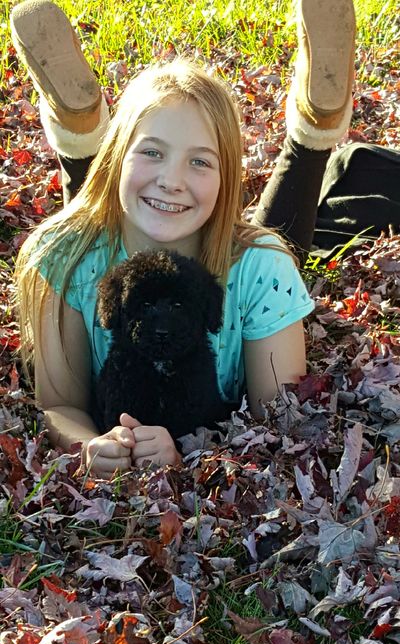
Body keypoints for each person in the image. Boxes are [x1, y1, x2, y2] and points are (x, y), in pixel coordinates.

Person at [12, 0, 356, 477]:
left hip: (239, 259)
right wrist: (90, 445)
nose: (173, 179)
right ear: (122, 155)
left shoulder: (260, 269)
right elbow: (59, 406)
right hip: (100, 225)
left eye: (201, 161)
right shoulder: (65, 258)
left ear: (228, 178)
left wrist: (193, 454)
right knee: (94, 219)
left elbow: (276, 420)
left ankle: (313, 133)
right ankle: (83, 136)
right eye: (152, 151)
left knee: (274, 249)